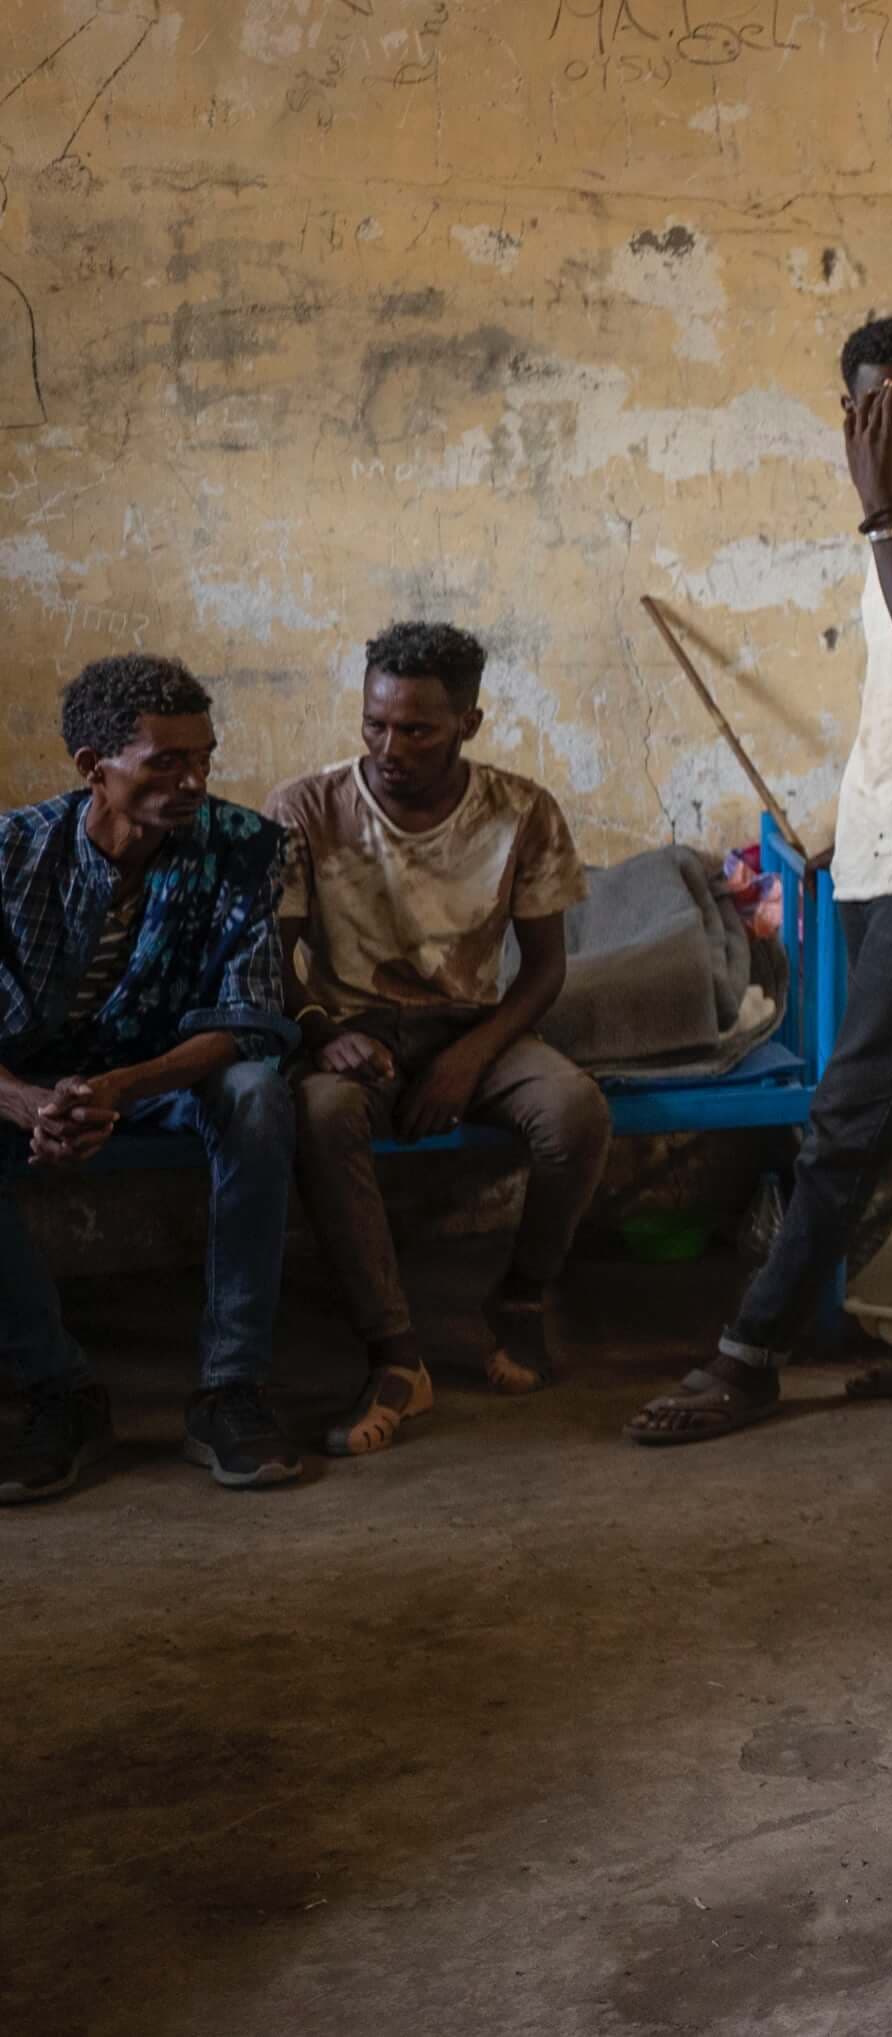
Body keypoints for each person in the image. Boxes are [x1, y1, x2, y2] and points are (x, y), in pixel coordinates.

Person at [628, 313, 892, 1445]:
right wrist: (843, 829)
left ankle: (750, 1355)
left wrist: (876, 513)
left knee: (850, 1111)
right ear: (850, 415)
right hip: (878, 848)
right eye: (878, 408)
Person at [270, 622, 605, 1456]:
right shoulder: (306, 808)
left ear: (469, 723)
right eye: (375, 723)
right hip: (351, 1029)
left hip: (470, 1023)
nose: (390, 747)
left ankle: (520, 1297)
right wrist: (319, 1032)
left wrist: (468, 1057)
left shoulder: (521, 810)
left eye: (417, 729)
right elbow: (270, 960)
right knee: (321, 1113)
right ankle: (394, 1353)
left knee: (575, 1111)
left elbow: (545, 969)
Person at [0, 656, 303, 1503]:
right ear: (93, 768)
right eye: (165, 762)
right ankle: (61, 1390)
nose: (193, 781)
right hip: (29, 1084)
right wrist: (27, 1103)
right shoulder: (12, 854)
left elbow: (248, 1016)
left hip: (163, 1073)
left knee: (258, 1093)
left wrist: (119, 1089)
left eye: (202, 757)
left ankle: (230, 1388)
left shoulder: (243, 846)